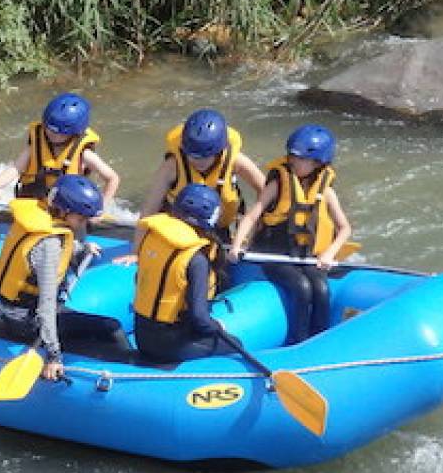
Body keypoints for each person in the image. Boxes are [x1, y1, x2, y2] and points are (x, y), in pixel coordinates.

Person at [0, 174, 126, 380]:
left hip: (16, 310)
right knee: (112, 328)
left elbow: (38, 255)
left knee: (83, 324)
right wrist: (53, 355)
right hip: (27, 322)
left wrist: (80, 248)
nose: (83, 224)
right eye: (80, 219)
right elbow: (46, 304)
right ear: (63, 211)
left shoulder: (42, 219)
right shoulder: (50, 245)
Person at [230, 124, 351, 343]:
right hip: (275, 256)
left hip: (306, 256)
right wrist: (238, 245)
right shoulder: (278, 184)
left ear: (317, 164)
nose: (293, 161)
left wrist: (329, 253)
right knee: (302, 288)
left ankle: (320, 339)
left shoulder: (326, 191)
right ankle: (298, 340)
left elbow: (345, 228)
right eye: (291, 155)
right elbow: (252, 215)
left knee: (321, 290)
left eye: (301, 158)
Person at [132, 185, 234, 363]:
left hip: (141, 336)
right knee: (234, 344)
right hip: (170, 345)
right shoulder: (196, 259)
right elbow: (200, 319)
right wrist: (217, 327)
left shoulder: (151, 237)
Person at [0, 92, 120, 210]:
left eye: (60, 133)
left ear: (75, 133)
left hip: (66, 209)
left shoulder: (84, 154)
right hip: (35, 202)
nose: (53, 135)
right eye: (49, 129)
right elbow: (15, 169)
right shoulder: (37, 143)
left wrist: (101, 209)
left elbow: (112, 178)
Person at [137, 108, 265, 233]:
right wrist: (140, 244)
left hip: (218, 227)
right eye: (192, 156)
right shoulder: (172, 166)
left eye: (205, 157)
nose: (198, 161)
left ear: (219, 151)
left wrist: (255, 220)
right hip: (179, 228)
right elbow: (149, 210)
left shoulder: (235, 160)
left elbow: (264, 188)